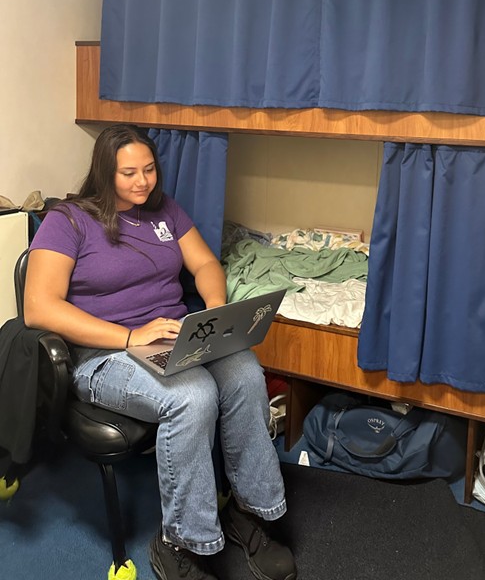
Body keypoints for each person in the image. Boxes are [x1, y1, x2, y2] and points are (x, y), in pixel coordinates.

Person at [24, 124, 297, 580]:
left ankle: (250, 512)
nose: (142, 182)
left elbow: (206, 263)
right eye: (128, 173)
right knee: (192, 396)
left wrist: (215, 311)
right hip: (104, 354)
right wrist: (130, 337)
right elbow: (38, 307)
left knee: (247, 373)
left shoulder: (164, 211)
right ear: (104, 173)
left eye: (149, 169)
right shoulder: (69, 220)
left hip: (175, 338)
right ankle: (183, 541)